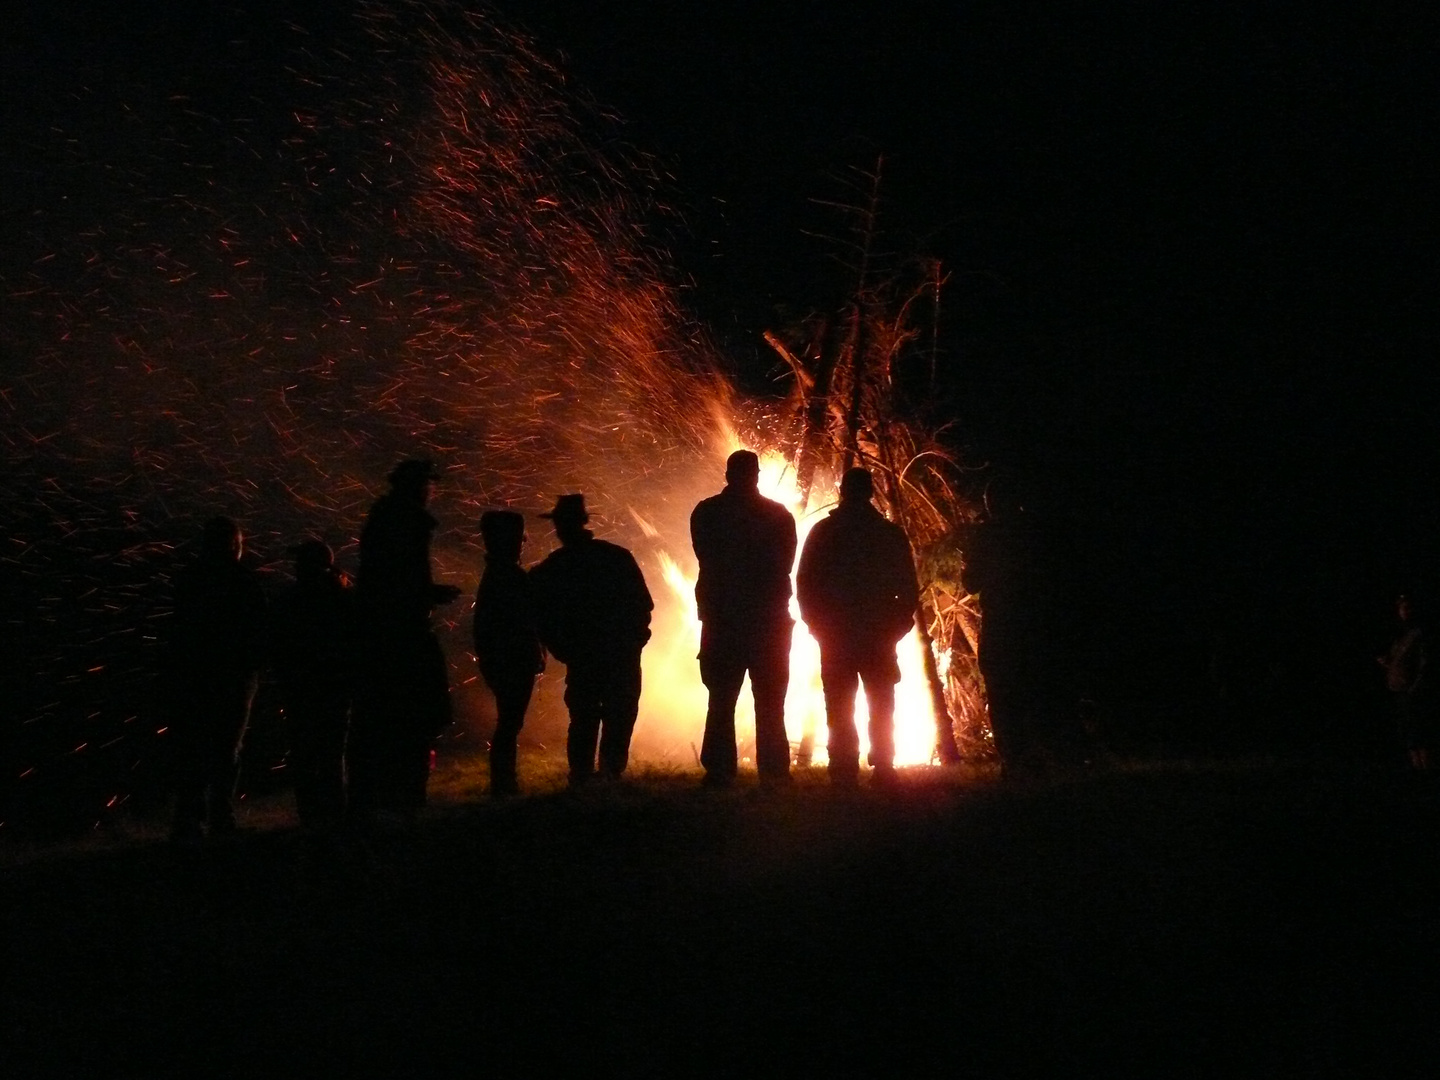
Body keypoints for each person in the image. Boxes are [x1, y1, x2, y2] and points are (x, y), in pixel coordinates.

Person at [350, 459, 461, 821]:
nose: (432, 491)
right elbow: (394, 582)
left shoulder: (388, 519)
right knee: (411, 717)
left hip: (385, 634)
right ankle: (402, 798)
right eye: (428, 484)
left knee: (393, 719)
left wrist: (427, 592)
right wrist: (426, 594)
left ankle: (380, 798)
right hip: (399, 638)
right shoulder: (404, 522)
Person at [796, 467, 919, 785]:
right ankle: (883, 766)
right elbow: (907, 585)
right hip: (877, 632)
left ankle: (844, 766)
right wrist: (899, 624)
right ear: (871, 493)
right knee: (881, 700)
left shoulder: (824, 531)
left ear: (842, 491)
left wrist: (816, 623)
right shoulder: (890, 534)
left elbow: (805, 582)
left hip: (837, 633)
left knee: (839, 700)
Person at [690, 449, 798, 786]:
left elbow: (705, 557)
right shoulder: (779, 516)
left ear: (727, 474)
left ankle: (720, 771)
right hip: (768, 621)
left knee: (721, 699)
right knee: (770, 701)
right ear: (756, 475)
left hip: (723, 620)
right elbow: (784, 565)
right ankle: (774, 771)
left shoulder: (707, 513)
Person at [529, 494, 653, 785]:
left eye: (561, 523)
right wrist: (634, 641)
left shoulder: (554, 567)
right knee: (618, 714)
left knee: (585, 716)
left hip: (587, 655)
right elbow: (642, 606)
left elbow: (539, 614)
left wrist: (562, 648)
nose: (560, 529)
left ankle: (584, 777)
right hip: (617, 654)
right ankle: (609, 774)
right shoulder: (616, 557)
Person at [169, 516, 268, 845]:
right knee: (226, 748)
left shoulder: (190, 578)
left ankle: (188, 821)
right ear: (234, 545)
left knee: (193, 746)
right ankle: (220, 818)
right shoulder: (242, 580)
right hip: (232, 677)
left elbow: (178, 630)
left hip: (193, 675)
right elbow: (256, 632)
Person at [272, 539, 356, 828]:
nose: (295, 568)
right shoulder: (341, 597)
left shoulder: (291, 600)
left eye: (300, 563)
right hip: (334, 688)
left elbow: (279, 646)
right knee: (331, 753)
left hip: (303, 689)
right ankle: (335, 815)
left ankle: (313, 817)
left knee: (306, 754)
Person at [472, 509, 545, 797]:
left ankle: (504, 782)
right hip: (512, 659)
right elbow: (525, 618)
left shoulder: (497, 573)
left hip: (501, 658)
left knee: (509, 720)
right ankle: (504, 784)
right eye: (518, 538)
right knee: (510, 722)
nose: (522, 544)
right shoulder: (509, 575)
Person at [1380, 593, 1435, 771]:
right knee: (1407, 731)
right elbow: (1399, 660)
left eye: (1407, 608)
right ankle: (1416, 768)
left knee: (1419, 731)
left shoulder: (1419, 634)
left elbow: (1426, 663)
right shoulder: (1403, 635)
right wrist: (1387, 662)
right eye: (1402, 608)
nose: (1404, 611)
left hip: (1412, 691)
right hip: (1399, 689)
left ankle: (1427, 768)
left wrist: (1416, 687)